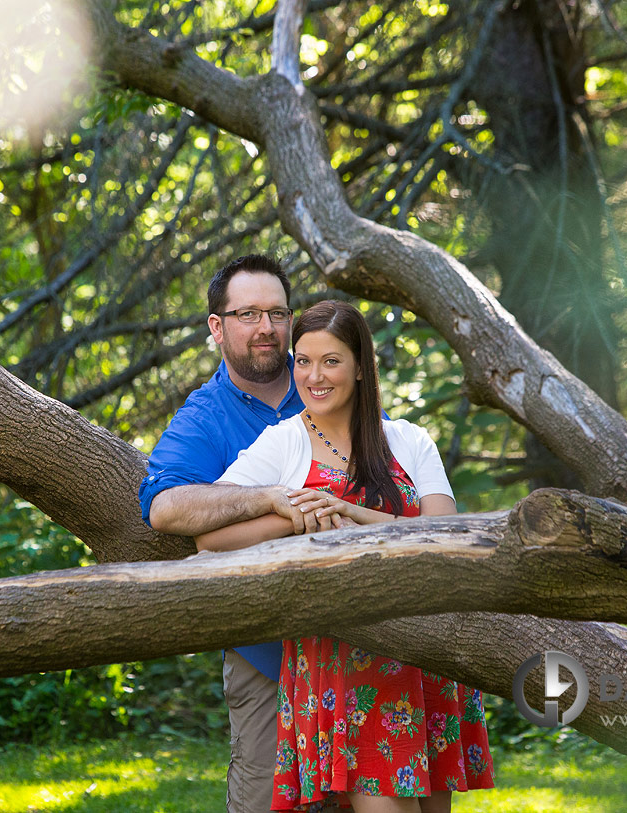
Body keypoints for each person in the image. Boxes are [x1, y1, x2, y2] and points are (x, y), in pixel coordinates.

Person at [196, 300, 494, 813]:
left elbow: (445, 533)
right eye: (303, 361)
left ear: (360, 366)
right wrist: (291, 516)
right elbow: (210, 538)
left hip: (425, 653)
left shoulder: (407, 439)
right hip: (342, 663)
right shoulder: (282, 443)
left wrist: (352, 515)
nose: (314, 376)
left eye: (331, 361)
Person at [139, 254, 343, 813]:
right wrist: (269, 498)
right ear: (217, 326)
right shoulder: (206, 417)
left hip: (357, 640)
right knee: (264, 801)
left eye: (276, 313)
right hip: (264, 649)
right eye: (247, 313)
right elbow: (166, 507)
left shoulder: (330, 389)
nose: (266, 328)